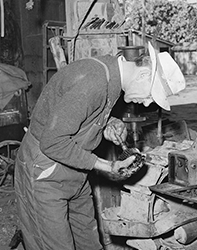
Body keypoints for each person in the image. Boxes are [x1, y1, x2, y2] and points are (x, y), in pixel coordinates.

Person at [14, 42, 185, 250]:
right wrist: (107, 166)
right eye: (151, 96)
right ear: (142, 75)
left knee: (89, 242)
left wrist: (108, 123)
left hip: (75, 170)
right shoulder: (93, 81)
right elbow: (52, 142)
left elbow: (82, 113)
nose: (147, 104)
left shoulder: (112, 80)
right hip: (45, 172)